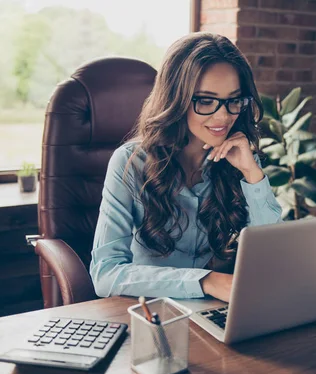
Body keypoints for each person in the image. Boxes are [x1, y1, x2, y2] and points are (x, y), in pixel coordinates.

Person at [90, 32, 282, 303]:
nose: (223, 116)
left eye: (234, 100)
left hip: (211, 312)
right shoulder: (130, 162)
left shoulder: (238, 157)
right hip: (147, 312)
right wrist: (205, 281)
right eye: (205, 100)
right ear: (176, 99)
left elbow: (273, 258)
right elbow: (105, 274)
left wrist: (252, 175)